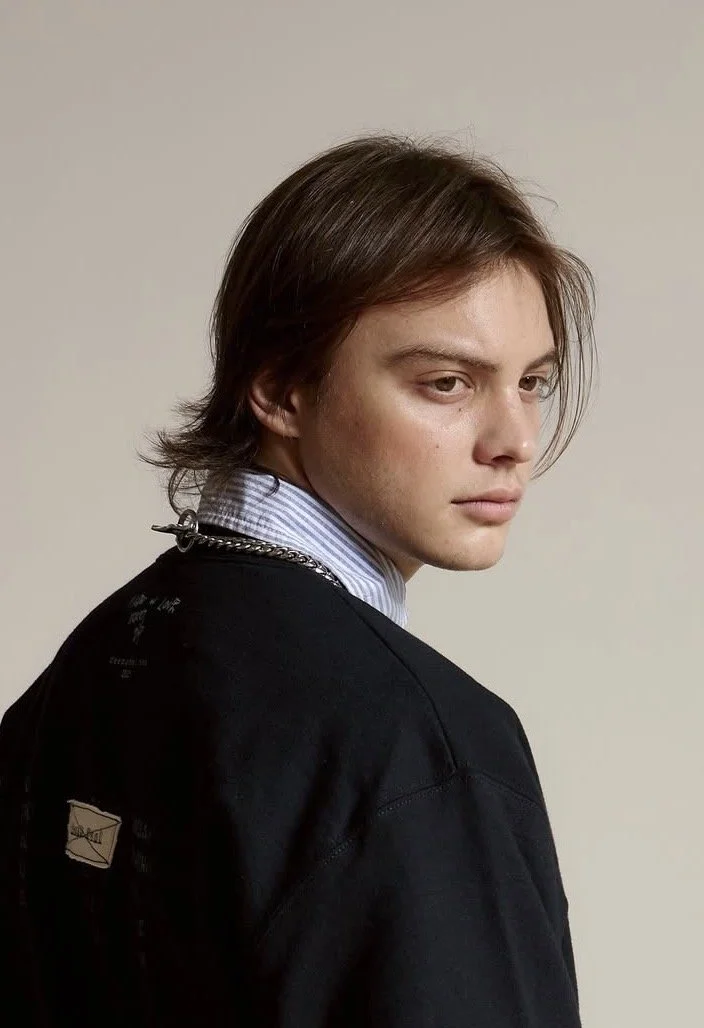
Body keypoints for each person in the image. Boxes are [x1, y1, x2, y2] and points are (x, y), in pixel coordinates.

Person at [0, 133, 597, 1026]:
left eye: (534, 381)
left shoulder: (88, 669)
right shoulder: (411, 743)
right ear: (280, 389)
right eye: (446, 382)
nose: (513, 438)